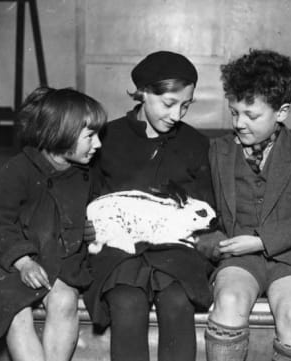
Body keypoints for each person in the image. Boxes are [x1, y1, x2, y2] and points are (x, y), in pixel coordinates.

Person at [203, 49, 291, 361]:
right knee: (229, 299)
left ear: (282, 112)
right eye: (234, 112)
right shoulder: (217, 151)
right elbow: (204, 212)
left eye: (252, 115)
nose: (239, 123)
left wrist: (261, 240)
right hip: (239, 254)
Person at [83, 50, 215, 361]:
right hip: (119, 250)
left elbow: (204, 209)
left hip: (176, 249)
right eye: (169, 104)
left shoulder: (195, 144)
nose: (177, 115)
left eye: (185, 106)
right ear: (143, 93)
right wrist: (87, 228)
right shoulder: (107, 139)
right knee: (127, 304)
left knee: (177, 303)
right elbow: (88, 197)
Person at [0, 86, 107, 361]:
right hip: (11, 262)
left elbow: (93, 212)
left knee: (65, 300)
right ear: (60, 134)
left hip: (60, 261)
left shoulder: (86, 173)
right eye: (90, 136)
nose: (98, 144)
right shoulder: (18, 170)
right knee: (16, 313)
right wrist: (24, 262)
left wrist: (94, 229)